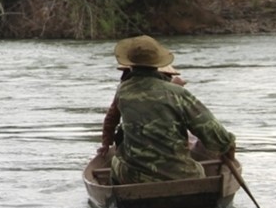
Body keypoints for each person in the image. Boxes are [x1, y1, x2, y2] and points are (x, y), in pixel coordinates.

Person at [105, 35, 236, 184]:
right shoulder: (177, 93)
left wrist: (106, 143)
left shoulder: (122, 91)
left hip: (134, 178)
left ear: (130, 64)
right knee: (199, 167)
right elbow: (215, 133)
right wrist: (228, 150)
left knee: (115, 161)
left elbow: (111, 120)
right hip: (182, 176)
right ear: (157, 64)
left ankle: (118, 198)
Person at [97, 64, 185, 157]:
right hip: (146, 141)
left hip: (145, 141)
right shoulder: (125, 92)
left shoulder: (124, 90)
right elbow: (112, 118)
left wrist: (106, 144)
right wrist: (106, 143)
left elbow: (111, 118)